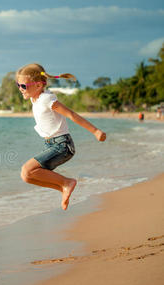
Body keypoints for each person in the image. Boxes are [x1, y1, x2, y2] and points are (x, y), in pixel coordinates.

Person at [17, 63, 106, 210]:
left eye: (23, 86)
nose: (20, 89)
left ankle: (67, 183)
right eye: (18, 85)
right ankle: (63, 188)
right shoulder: (35, 99)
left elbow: (71, 115)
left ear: (39, 85)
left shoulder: (47, 99)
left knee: (27, 169)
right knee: (27, 176)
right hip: (51, 145)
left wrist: (96, 131)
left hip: (62, 145)